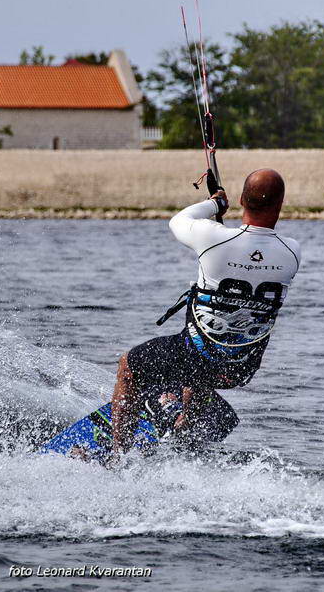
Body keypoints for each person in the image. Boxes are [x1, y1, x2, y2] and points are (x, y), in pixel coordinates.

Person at [111, 168, 301, 454]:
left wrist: (216, 204)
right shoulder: (293, 252)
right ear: (281, 205)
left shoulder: (212, 237)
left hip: (198, 356)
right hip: (243, 368)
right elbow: (252, 256)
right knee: (207, 355)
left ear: (241, 200)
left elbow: (178, 221)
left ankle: (118, 457)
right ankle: (185, 428)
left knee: (130, 366)